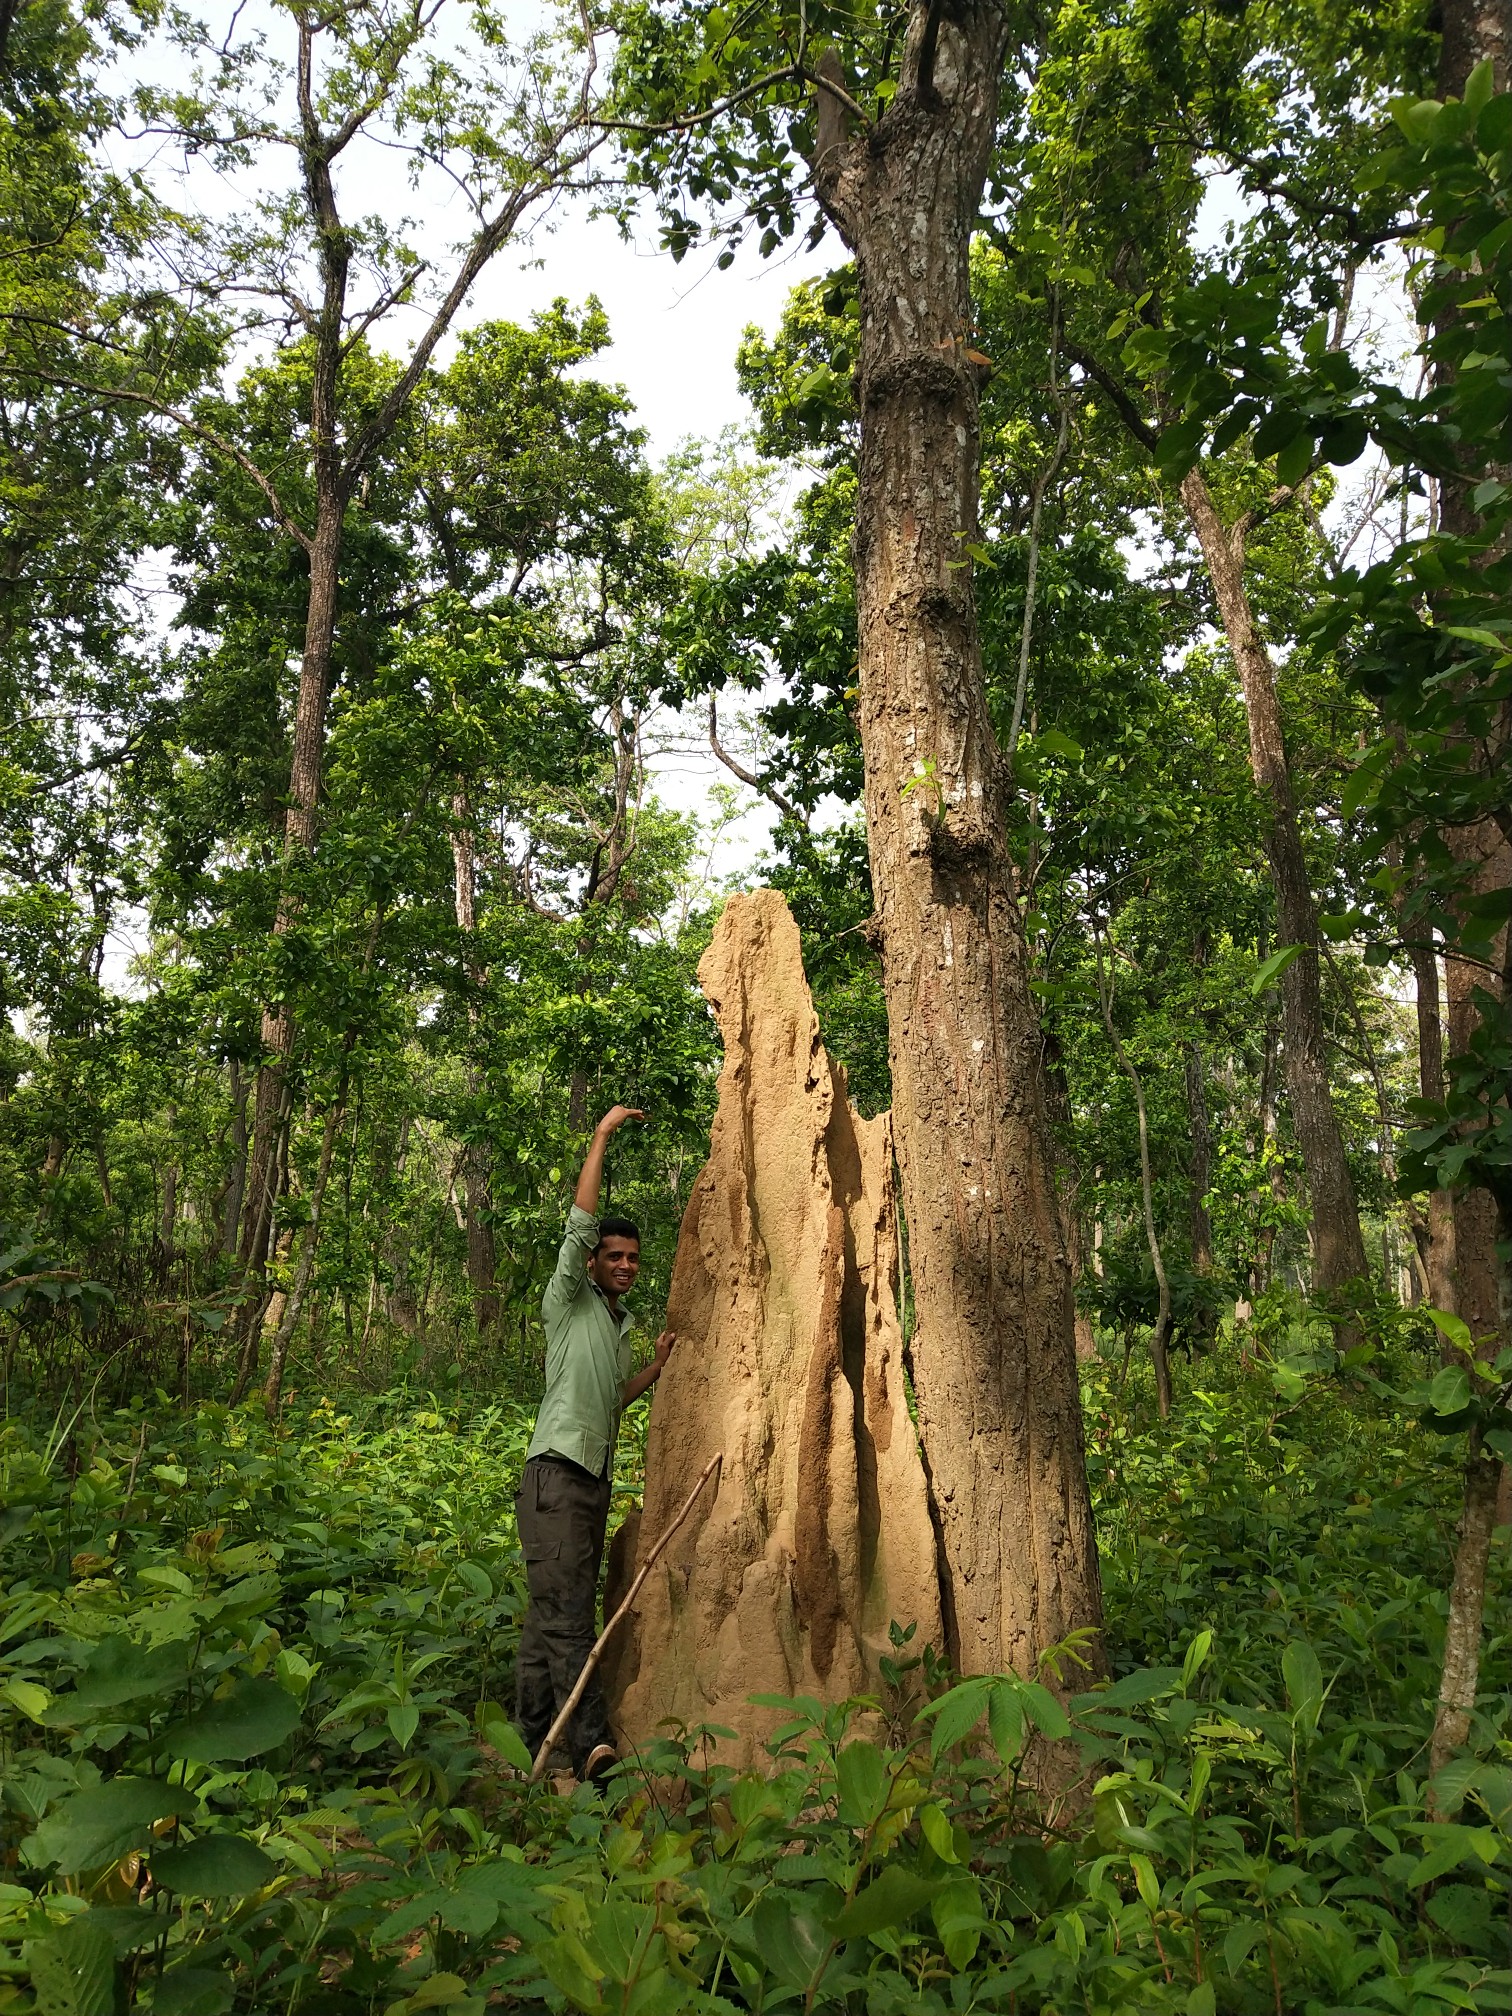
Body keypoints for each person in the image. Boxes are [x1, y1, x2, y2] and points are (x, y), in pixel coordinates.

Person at [514, 1104, 673, 1785]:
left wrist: (658, 1370)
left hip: (588, 1482)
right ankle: (591, 1747)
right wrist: (601, 1136)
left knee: (547, 1618)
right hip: (555, 1478)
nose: (626, 1266)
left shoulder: (615, 1327)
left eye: (634, 1258)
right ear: (592, 1262)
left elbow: (608, 1404)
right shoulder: (568, 1301)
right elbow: (579, 1221)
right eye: (614, 1256)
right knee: (572, 1615)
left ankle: (526, 1740)